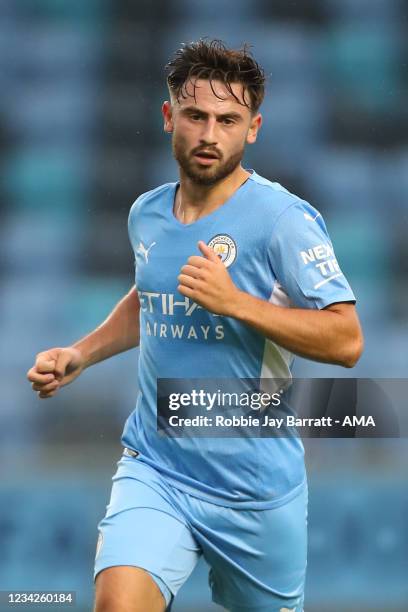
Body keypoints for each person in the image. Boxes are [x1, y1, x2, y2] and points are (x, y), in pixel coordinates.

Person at [27, 39, 363, 612]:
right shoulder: (147, 213)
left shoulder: (284, 220)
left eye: (228, 120)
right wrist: (82, 352)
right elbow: (150, 296)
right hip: (155, 467)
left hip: (255, 489)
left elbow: (347, 340)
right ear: (169, 117)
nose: (210, 134)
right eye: (197, 115)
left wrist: (238, 304)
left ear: (252, 128)